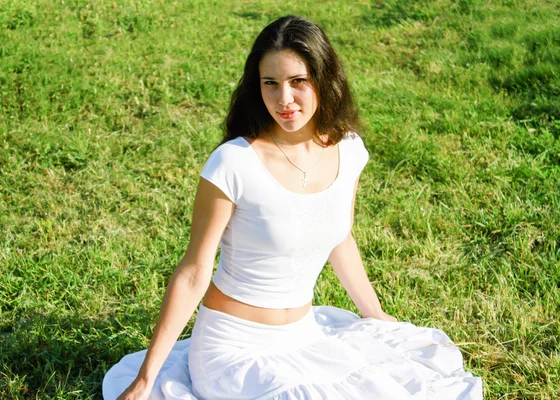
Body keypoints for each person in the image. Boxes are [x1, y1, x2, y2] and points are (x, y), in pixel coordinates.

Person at [103, 15, 483, 400]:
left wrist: (376, 315)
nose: (284, 100)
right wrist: (146, 378)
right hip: (232, 349)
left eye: (298, 82)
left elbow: (341, 239)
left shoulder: (348, 151)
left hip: (304, 337)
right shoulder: (233, 163)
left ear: (324, 78)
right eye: (271, 84)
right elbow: (193, 272)